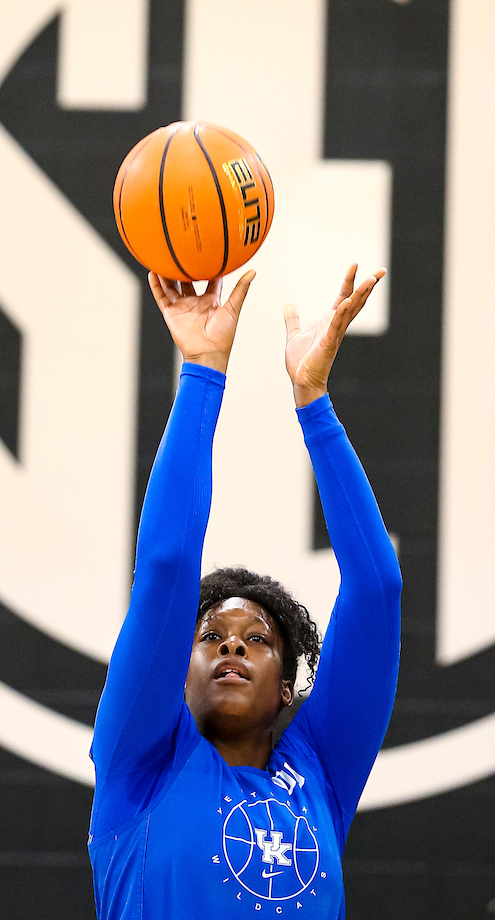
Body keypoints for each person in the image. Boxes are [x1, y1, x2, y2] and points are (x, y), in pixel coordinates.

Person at [89, 264, 402, 919]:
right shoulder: (138, 762)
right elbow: (169, 564)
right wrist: (202, 370)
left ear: (287, 687)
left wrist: (313, 400)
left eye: (258, 640)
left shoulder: (320, 770)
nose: (231, 642)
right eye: (210, 636)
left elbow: (377, 587)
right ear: (178, 672)